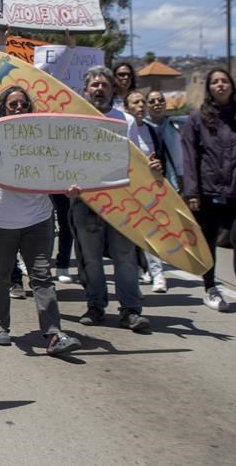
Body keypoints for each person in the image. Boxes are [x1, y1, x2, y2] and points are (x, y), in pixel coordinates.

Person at [0, 87, 82, 355]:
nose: (18, 108)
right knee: (0, 276)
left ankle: (54, 333)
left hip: (38, 219)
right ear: (2, 109)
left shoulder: (44, 139)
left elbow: (60, 173)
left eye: (23, 104)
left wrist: (70, 188)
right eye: (12, 105)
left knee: (42, 277)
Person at [72, 66, 155, 332]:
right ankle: (95, 305)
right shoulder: (74, 120)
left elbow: (138, 162)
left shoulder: (126, 121)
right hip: (85, 202)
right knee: (91, 258)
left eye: (104, 85)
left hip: (121, 202)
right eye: (94, 85)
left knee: (125, 257)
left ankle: (130, 310)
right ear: (86, 89)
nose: (99, 89)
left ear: (113, 89)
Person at [181, 68, 236, 313]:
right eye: (215, 82)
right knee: (208, 241)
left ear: (232, 86)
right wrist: (191, 193)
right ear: (209, 88)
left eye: (224, 81)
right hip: (206, 193)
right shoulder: (196, 120)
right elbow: (190, 159)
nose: (220, 85)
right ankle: (211, 288)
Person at [124, 90, 168, 293]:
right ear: (127, 108)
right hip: (128, 190)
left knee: (153, 233)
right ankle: (139, 273)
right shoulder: (122, 128)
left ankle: (158, 274)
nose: (141, 106)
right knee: (133, 236)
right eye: (136, 102)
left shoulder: (152, 131)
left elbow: (161, 159)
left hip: (150, 190)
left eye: (143, 102)